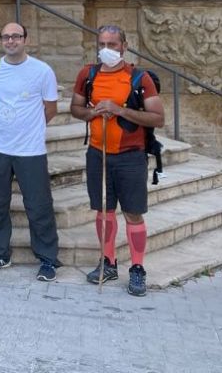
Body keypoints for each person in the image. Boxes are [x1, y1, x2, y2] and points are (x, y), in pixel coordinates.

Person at [69, 25, 165, 297]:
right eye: (102, 44)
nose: (107, 50)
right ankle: (108, 262)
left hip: (130, 156)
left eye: (113, 44)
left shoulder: (139, 78)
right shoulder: (87, 74)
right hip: (97, 153)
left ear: (124, 46)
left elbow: (158, 118)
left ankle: (137, 268)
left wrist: (119, 109)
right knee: (103, 210)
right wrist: (91, 113)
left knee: (133, 213)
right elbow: (75, 108)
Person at [0, 22, 60, 281]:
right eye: (6, 37)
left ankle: (47, 258)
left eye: (16, 36)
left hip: (30, 150)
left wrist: (29, 128)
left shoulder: (42, 71)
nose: (11, 41)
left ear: (26, 39)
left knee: (39, 206)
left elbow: (50, 108)